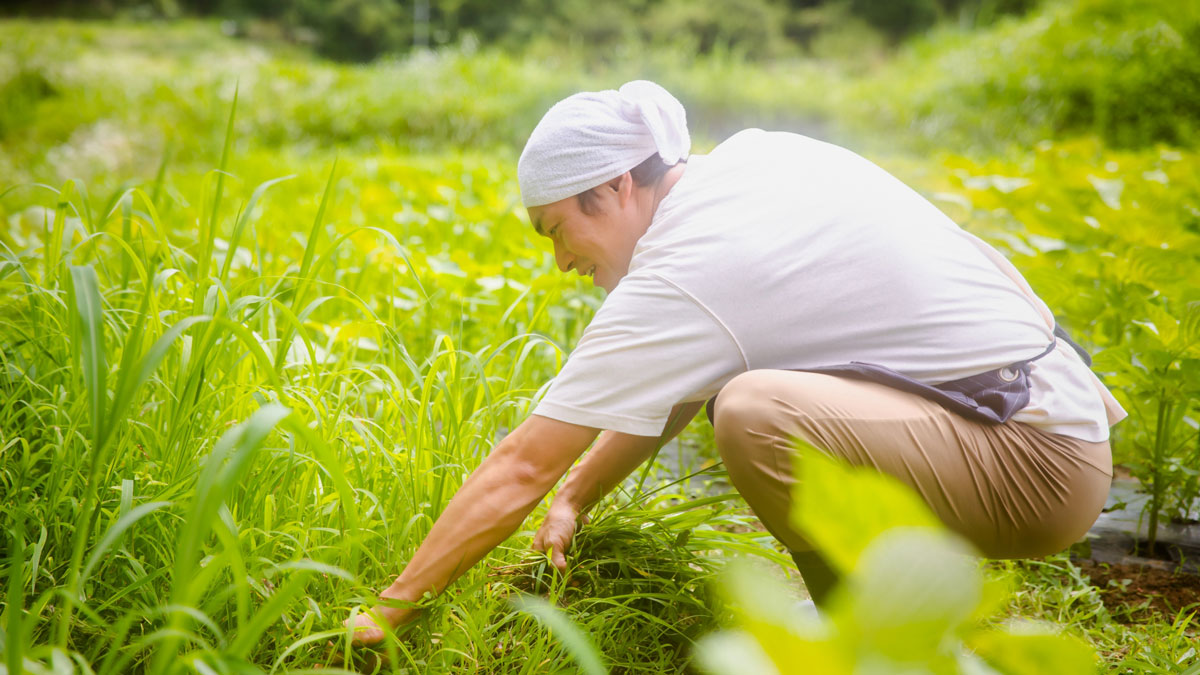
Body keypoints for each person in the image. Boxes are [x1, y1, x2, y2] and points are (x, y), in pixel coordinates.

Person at [346, 80, 1126, 643]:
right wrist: (577, 496)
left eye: (555, 230)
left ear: (616, 188)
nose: (559, 261)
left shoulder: (691, 265)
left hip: (1034, 460)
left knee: (757, 415)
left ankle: (873, 651)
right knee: (744, 394)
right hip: (1037, 412)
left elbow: (522, 464)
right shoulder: (747, 165)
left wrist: (390, 607)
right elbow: (688, 374)